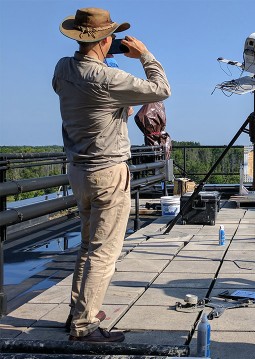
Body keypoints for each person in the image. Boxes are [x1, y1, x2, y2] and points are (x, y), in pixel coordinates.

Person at [53, 8, 171, 342]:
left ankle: (80, 311)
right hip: (107, 171)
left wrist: (114, 104)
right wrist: (145, 55)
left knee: (88, 246)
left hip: (78, 170)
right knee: (103, 253)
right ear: (106, 40)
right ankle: (85, 325)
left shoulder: (63, 67)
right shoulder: (108, 79)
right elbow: (161, 90)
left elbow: (73, 92)